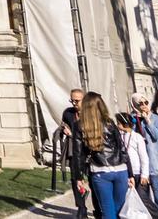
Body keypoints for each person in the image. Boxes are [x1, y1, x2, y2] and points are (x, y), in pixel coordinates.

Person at [72, 92, 129, 219]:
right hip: (120, 169)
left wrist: (78, 177)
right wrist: (130, 173)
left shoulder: (79, 126)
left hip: (99, 171)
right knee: (119, 210)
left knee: (108, 211)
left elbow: (78, 154)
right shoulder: (110, 123)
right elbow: (122, 148)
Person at [59, 89, 95, 219]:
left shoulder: (91, 114)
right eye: (72, 100)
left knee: (93, 179)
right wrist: (64, 131)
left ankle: (98, 207)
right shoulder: (68, 113)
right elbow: (64, 127)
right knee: (75, 180)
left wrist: (73, 134)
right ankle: (81, 207)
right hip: (74, 152)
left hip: (89, 151)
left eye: (77, 100)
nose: (74, 103)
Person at [132, 93, 158, 217]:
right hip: (140, 162)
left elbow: (157, 136)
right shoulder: (134, 119)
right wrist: (136, 120)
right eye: (140, 103)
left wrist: (148, 121)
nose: (144, 106)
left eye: (145, 102)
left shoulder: (155, 118)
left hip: (153, 160)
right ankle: (150, 214)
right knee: (144, 192)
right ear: (135, 105)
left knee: (156, 188)